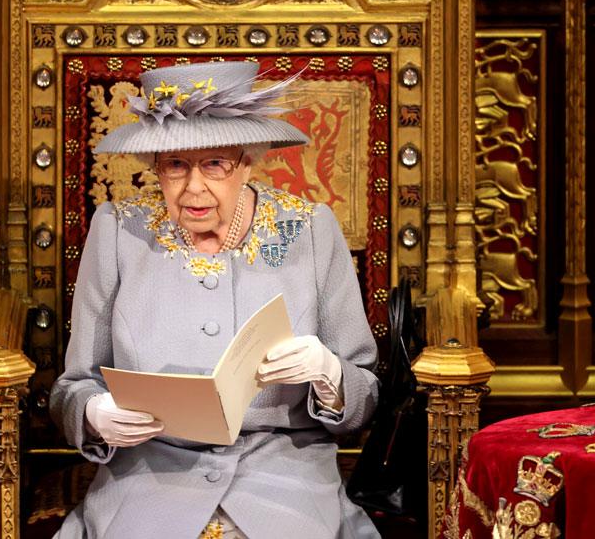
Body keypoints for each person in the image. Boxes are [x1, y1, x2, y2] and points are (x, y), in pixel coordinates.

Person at [50, 61, 380, 539]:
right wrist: (93, 415)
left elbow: (364, 394)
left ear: (247, 161)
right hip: (149, 478)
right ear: (155, 167)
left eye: (215, 164)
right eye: (176, 166)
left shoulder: (306, 228)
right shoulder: (120, 230)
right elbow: (73, 386)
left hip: (284, 479)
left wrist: (329, 374)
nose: (194, 187)